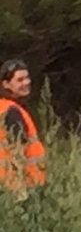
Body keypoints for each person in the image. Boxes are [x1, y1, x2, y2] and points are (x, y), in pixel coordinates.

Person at [0, 59, 46, 199]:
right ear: (6, 84)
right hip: (19, 187)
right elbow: (18, 153)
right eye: (19, 80)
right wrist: (22, 192)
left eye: (27, 77)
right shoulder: (11, 111)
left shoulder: (5, 107)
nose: (26, 83)